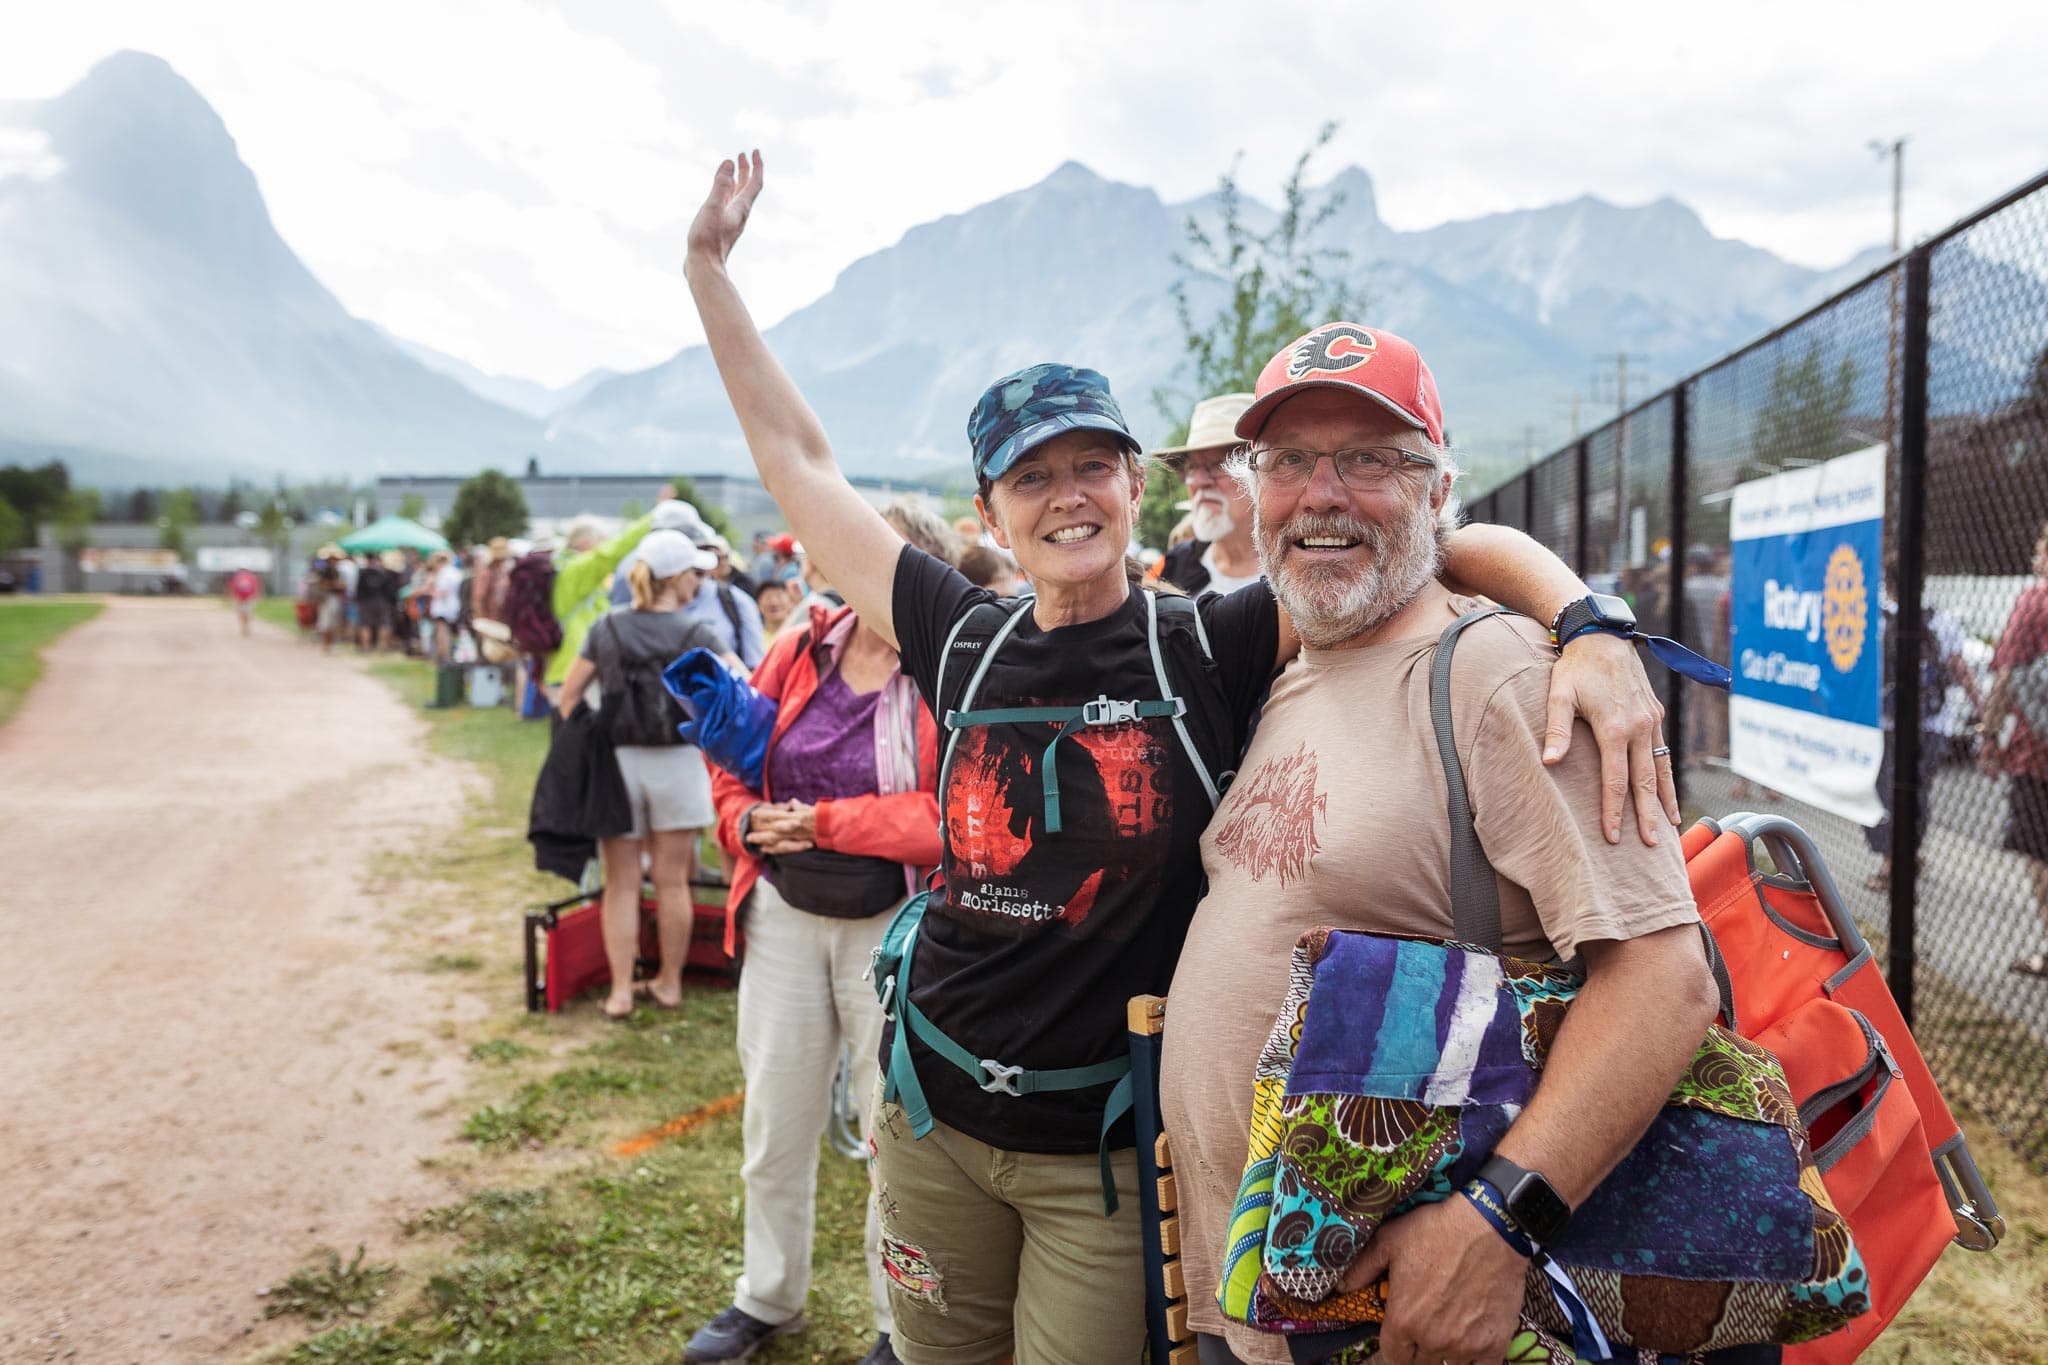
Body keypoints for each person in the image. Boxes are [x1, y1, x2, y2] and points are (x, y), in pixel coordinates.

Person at [683, 152, 1672, 1365]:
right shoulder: (960, 637)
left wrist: (1585, 620)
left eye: (1090, 465)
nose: (1065, 497)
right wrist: (707, 274)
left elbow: (1414, 540)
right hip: (934, 1097)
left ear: (1136, 485)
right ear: (987, 512)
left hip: (1098, 1143)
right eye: (1029, 477)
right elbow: (802, 467)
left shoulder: (1215, 640)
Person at [1159, 323, 1718, 1365]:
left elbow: (1662, 979)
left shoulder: (1497, 671)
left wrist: (1498, 1222)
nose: (1320, 493)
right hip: (1277, 1302)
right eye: (1286, 461)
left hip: (1423, 1304)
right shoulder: (1290, 662)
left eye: (1368, 458)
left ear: (1434, 490)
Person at [685, 499, 956, 1365]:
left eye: (895, 561)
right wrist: (747, 822)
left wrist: (825, 821)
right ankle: (766, 1295)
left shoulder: (951, 668)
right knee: (775, 1115)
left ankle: (895, 1318)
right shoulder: (801, 646)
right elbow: (731, 753)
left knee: (892, 1133)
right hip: (783, 913)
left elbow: (955, 814)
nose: (872, 571)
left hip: (895, 924)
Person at [555, 530, 727, 1019]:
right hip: (677, 762)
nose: (699, 580)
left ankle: (621, 990)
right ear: (675, 578)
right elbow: (740, 689)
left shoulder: (607, 628)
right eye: (694, 572)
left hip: (618, 765)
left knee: (621, 883)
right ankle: (670, 983)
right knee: (673, 881)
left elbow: (569, 697)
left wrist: (587, 745)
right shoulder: (697, 634)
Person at [1979, 520, 2048, 976]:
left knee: (2040, 855)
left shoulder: (2037, 599)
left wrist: (1989, 734)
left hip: (2038, 753)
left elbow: (2007, 673)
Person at [543, 493, 676, 699]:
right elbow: (612, 552)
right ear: (586, 544)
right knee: (580, 730)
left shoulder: (567, 568)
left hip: (573, 666)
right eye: (601, 540)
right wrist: (656, 516)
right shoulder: (577, 569)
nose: (604, 544)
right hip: (575, 669)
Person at [1151, 392, 1263, 594]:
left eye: (1220, 464)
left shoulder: (1296, 571)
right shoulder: (1172, 567)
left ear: (1262, 469)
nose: (1197, 481)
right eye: (1192, 467)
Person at [426, 550, 464, 664]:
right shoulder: (455, 572)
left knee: (443, 634)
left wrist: (431, 592)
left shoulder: (445, 573)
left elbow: (443, 592)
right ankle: (443, 658)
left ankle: (444, 659)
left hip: (444, 608)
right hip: (453, 606)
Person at [226, 565, 261, 636]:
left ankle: (245, 626)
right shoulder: (240, 577)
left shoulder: (248, 577)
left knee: (245, 613)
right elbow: (232, 587)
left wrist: (231, 595)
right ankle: (245, 626)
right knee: (244, 613)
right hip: (242, 598)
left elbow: (256, 587)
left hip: (246, 598)